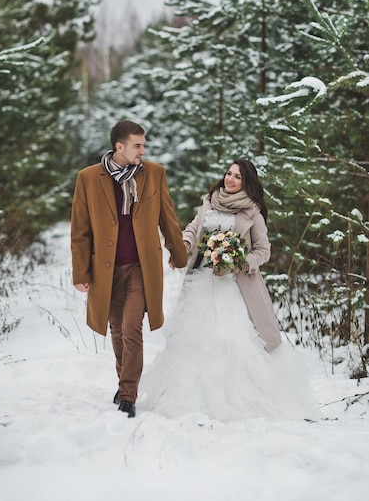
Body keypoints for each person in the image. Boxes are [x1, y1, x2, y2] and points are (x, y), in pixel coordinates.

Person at [140, 159, 320, 422]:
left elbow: (263, 251)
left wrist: (239, 261)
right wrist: (184, 243)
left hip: (235, 288)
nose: (230, 179)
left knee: (233, 342)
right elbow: (193, 229)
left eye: (237, 177)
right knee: (193, 340)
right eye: (228, 173)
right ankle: (190, 401)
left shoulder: (252, 213)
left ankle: (240, 401)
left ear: (247, 183)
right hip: (201, 281)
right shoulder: (210, 201)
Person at [70, 120, 187, 418]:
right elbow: (80, 230)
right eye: (137, 145)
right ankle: (125, 383)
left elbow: (167, 217)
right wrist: (81, 273)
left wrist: (178, 252)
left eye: (143, 144)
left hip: (140, 266)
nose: (143, 150)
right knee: (117, 330)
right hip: (105, 270)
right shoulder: (88, 178)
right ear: (119, 147)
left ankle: (128, 395)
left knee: (132, 327)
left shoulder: (154, 174)